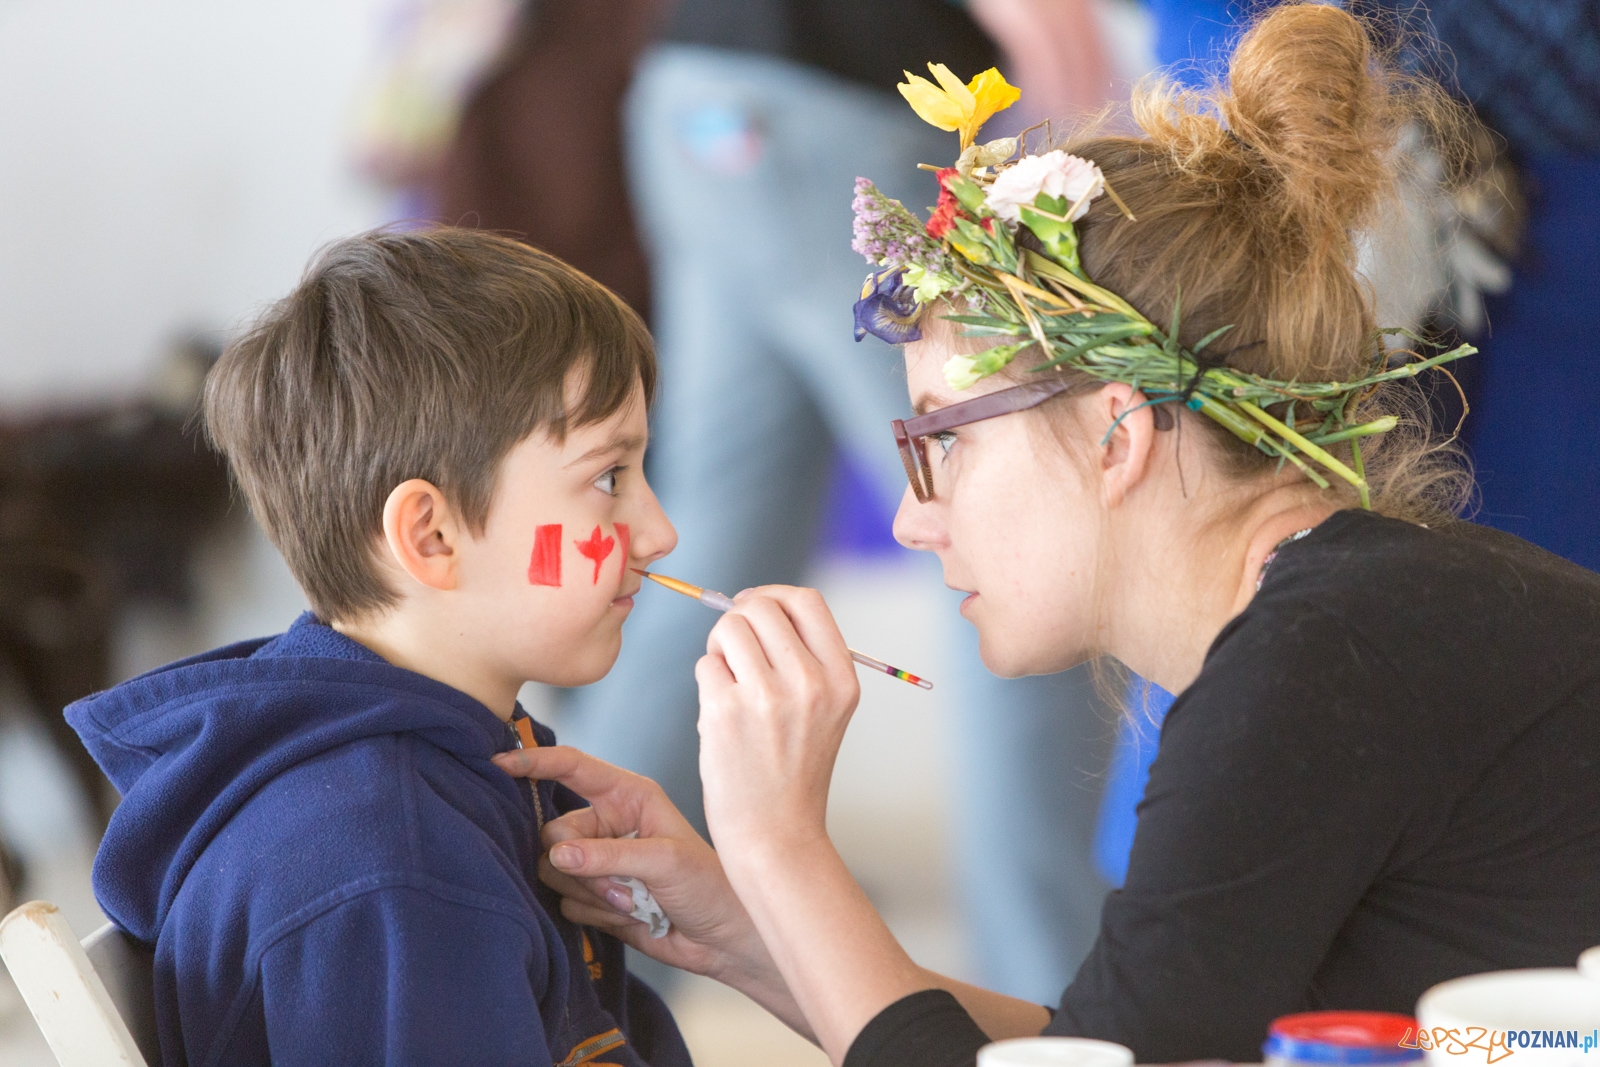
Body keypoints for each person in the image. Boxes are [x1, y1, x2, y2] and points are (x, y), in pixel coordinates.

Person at [494, 5, 1600, 1062]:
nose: (908, 515)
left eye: (944, 441)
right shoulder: (1323, 630)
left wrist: (781, 846)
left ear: (1116, 432)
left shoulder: (1315, 669)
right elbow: (1096, 1043)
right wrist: (747, 929)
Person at [561, 0, 1120, 1000]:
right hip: (839, 112)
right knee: (1031, 550)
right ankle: (1063, 1008)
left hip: (695, 92)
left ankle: (567, 970)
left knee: (710, 560)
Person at [65, 229, 690, 1066]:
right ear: (431, 534)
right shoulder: (396, 872)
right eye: (609, 477)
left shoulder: (461, 763)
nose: (658, 531)